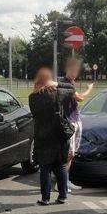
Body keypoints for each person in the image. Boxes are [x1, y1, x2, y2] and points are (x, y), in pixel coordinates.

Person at [28, 67, 75, 205]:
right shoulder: (57, 94)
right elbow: (71, 89)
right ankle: (63, 196)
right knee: (61, 166)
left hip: (43, 136)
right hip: (59, 134)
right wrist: (58, 84)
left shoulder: (32, 98)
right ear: (49, 81)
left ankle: (45, 198)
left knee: (45, 168)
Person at [59, 57, 94, 191]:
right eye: (72, 69)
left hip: (75, 119)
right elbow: (80, 98)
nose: (75, 72)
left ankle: (66, 180)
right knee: (68, 153)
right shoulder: (65, 83)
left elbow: (76, 100)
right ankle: (62, 182)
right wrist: (89, 89)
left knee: (72, 153)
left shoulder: (71, 82)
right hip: (70, 121)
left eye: (76, 70)